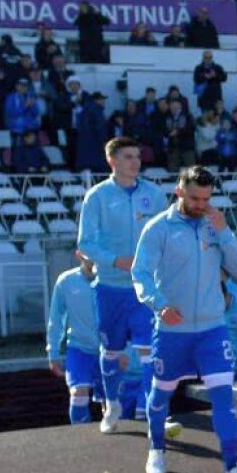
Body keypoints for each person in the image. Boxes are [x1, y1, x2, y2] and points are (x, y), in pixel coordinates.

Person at [132, 166, 237, 473]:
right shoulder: (158, 228)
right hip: (172, 331)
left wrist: (225, 232)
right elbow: (141, 273)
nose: (201, 205)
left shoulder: (213, 226)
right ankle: (157, 449)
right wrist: (159, 304)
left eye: (207, 199)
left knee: (223, 398)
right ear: (179, 191)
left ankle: (232, 467)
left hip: (212, 329)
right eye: (194, 198)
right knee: (161, 393)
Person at [77, 137, 170, 433]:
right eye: (128, 156)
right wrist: (116, 261)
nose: (135, 162)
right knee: (112, 351)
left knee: (149, 351)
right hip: (110, 288)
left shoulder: (154, 194)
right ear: (112, 160)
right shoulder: (97, 196)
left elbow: (167, 233)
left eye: (137, 156)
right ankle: (112, 404)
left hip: (144, 288)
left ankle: (154, 410)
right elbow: (86, 242)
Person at [46, 253, 100, 424]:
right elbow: (56, 319)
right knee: (78, 394)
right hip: (79, 349)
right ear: (79, 254)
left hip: (109, 350)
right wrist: (53, 352)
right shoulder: (66, 281)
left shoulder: (113, 280)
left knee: (110, 403)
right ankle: (80, 435)